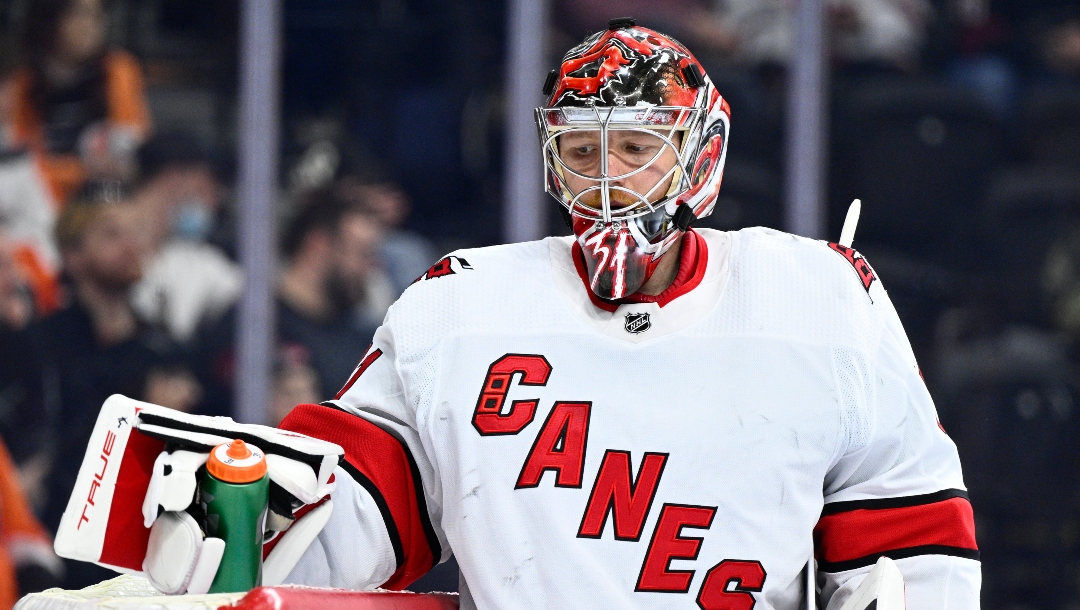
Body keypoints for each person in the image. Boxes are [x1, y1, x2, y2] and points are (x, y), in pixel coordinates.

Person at [270, 21, 981, 608]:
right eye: (583, 150)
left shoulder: (820, 300)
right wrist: (234, 509)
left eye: (637, 148)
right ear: (553, 161)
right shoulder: (460, 309)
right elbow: (335, 520)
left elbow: (912, 544)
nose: (607, 180)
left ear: (701, 156)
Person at [27, 196, 195, 588]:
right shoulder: (40, 344)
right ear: (73, 257)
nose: (130, 245)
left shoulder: (162, 345)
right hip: (58, 534)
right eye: (111, 235)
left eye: (134, 234)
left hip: (142, 537)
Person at [11, 0, 150, 203]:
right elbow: (20, 165)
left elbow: (133, 148)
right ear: (49, 20)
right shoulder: (23, 80)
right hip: (41, 201)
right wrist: (81, 170)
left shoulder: (118, 70)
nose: (89, 27)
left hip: (106, 199)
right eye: (78, 15)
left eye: (96, 16)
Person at [129, 132, 243, 345]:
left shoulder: (193, 260)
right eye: (207, 187)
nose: (214, 203)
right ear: (173, 178)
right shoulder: (100, 242)